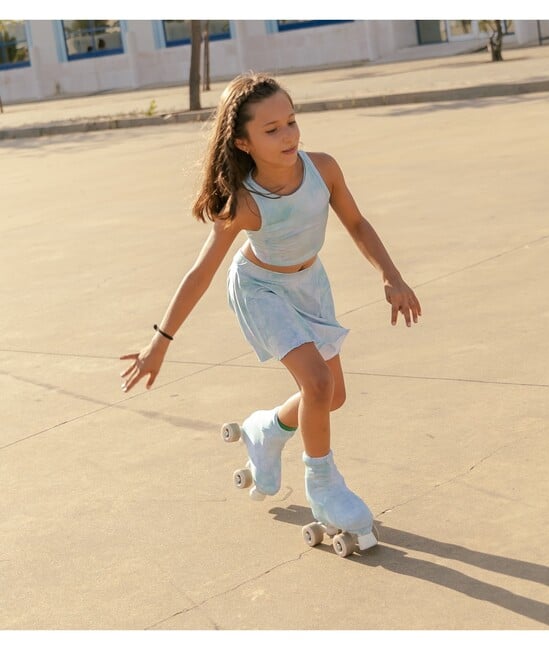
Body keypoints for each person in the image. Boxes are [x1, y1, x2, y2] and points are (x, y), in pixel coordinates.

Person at [120, 72, 421, 552]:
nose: (289, 135)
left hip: (309, 285)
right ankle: (323, 487)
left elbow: (358, 223)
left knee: (332, 395)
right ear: (243, 142)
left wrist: (391, 275)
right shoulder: (243, 201)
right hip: (261, 289)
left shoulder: (323, 169)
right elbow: (199, 273)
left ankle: (267, 429)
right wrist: (160, 340)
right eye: (272, 129)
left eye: (292, 122)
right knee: (317, 384)